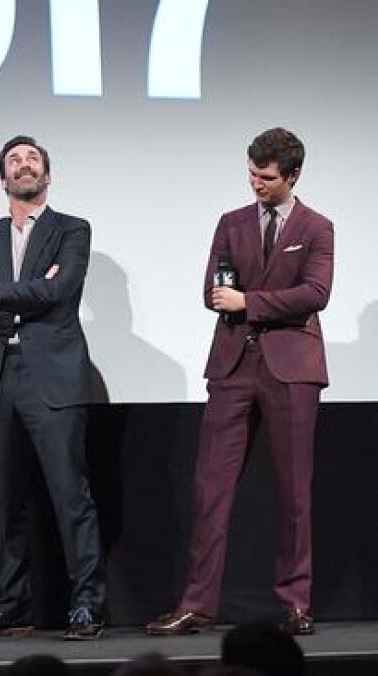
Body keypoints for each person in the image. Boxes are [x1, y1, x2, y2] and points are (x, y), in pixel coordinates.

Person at [147, 128, 332, 637]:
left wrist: (250, 302)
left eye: (267, 177)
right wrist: (226, 296)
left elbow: (315, 292)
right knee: (211, 489)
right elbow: (216, 286)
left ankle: (295, 602)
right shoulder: (230, 223)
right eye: (251, 173)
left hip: (292, 369)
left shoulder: (317, 227)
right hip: (232, 367)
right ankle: (198, 603)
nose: (256, 183)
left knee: (293, 492)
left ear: (291, 176)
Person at [0, 135, 106, 641]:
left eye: (32, 159)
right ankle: (11, 603)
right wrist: (22, 302)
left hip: (53, 378)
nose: (24, 165)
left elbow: (60, 293)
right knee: (3, 502)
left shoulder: (72, 229)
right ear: (3, 178)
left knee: (70, 496)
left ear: (46, 175)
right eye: (14, 161)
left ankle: (87, 604)